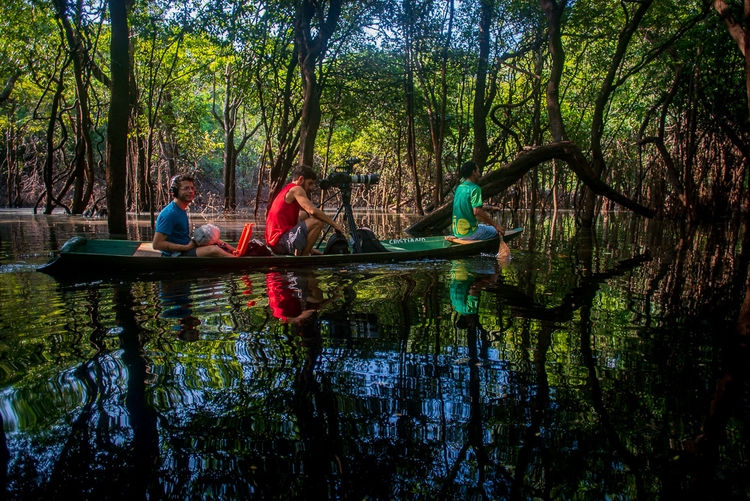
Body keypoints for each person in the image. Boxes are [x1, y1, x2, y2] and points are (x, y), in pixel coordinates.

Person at [265, 165, 346, 256]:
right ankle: (304, 257)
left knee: (303, 214)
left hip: (275, 243)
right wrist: (334, 224)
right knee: (317, 222)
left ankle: (305, 251)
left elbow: (298, 219)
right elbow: (313, 211)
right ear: (301, 179)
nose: (311, 188)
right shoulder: (296, 189)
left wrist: (311, 248)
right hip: (279, 243)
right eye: (310, 183)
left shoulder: (288, 188)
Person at [152, 174, 235, 257]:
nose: (191, 191)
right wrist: (186, 247)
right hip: (176, 254)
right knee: (214, 250)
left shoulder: (181, 209)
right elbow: (157, 244)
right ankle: (239, 262)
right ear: (175, 191)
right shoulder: (169, 214)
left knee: (217, 241)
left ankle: (236, 253)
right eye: (186, 188)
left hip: (185, 246)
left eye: (192, 188)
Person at [452, 161, 510, 260]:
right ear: (473, 172)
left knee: (484, 226)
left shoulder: (459, 188)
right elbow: (477, 212)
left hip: (457, 232)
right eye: (478, 171)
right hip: (469, 233)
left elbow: (469, 206)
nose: (480, 173)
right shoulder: (475, 189)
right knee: (497, 231)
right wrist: (496, 226)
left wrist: (489, 208)